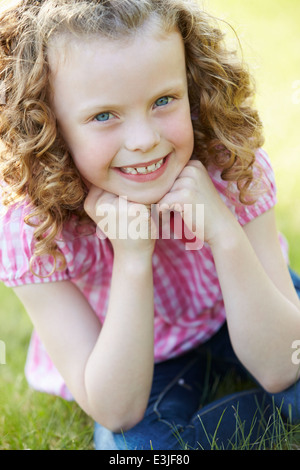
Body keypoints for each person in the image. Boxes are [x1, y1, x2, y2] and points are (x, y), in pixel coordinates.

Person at [0, 0, 299, 450]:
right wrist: (133, 257)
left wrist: (222, 230)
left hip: (242, 301)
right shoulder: (33, 227)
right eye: (104, 115)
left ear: (191, 87)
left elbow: (283, 365)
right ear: (47, 125)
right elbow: (116, 410)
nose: (144, 141)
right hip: (130, 350)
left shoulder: (228, 164)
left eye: (164, 101)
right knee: (137, 450)